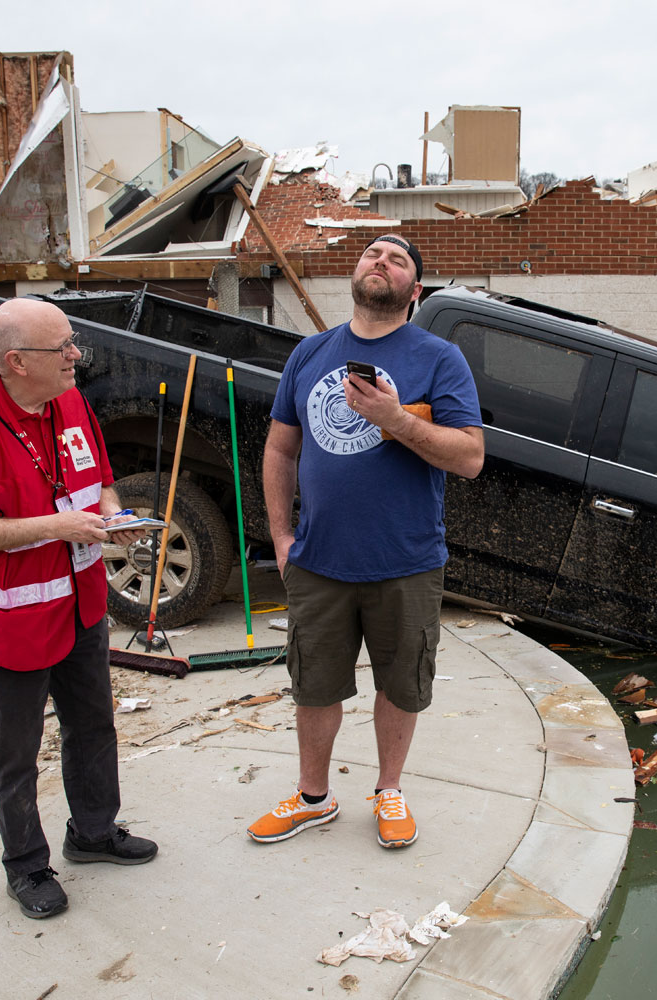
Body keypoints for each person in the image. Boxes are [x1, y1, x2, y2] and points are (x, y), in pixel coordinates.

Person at [252, 234, 484, 849]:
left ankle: (388, 791)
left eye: (398, 259)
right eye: (371, 254)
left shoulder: (439, 359)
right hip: (319, 559)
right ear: (354, 273)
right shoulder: (310, 353)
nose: (380, 262)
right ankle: (312, 799)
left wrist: (397, 419)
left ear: (415, 290)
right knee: (315, 683)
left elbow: (470, 458)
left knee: (400, 683)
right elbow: (280, 447)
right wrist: (280, 535)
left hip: (405, 560)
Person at [0, 298, 158, 919]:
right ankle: (26, 866)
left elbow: (102, 477)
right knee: (18, 751)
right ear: (14, 361)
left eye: (72, 341)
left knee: (92, 725)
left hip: (82, 605)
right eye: (61, 347)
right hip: (10, 623)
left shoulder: (72, 402)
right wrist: (55, 526)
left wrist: (113, 517)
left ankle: (93, 833)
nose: (75, 355)